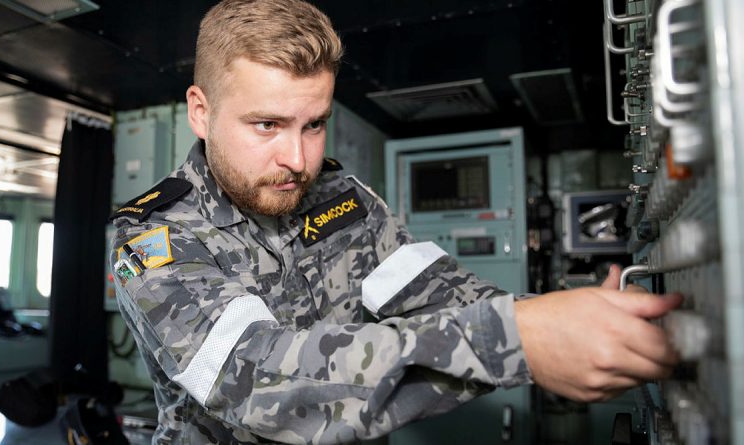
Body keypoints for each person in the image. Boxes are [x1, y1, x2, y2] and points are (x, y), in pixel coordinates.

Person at [109, 0, 682, 443]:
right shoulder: (156, 237)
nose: (298, 159)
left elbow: (437, 292)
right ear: (201, 112)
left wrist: (561, 318)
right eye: (267, 125)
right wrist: (518, 340)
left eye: (314, 124)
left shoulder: (343, 197)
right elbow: (261, 382)